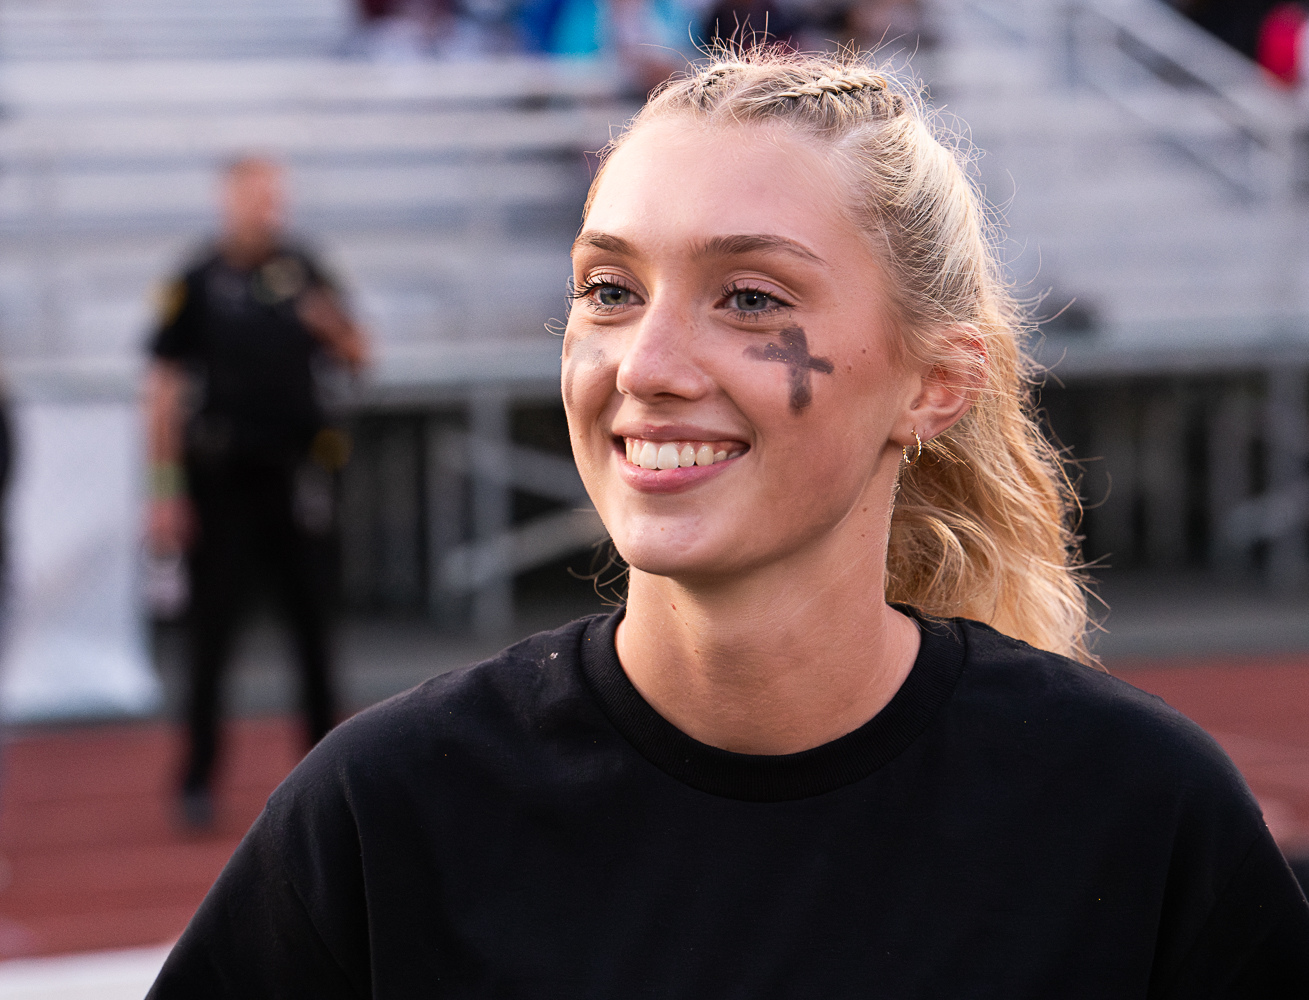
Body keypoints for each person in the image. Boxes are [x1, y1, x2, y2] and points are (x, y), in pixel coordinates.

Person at [147, 51, 1309, 995]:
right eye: (610, 290)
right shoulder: (381, 817)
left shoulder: (1139, 815)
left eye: (750, 297)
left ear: (935, 383)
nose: (647, 364)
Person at [145, 156, 368, 830]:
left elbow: (360, 353)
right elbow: (161, 387)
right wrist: (165, 490)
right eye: (255, 196)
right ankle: (196, 779)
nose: (267, 208)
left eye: (275, 197)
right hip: (222, 481)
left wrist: (329, 327)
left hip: (297, 476)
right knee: (210, 637)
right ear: (228, 200)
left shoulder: (306, 269)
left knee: (314, 633)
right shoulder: (196, 279)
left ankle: (327, 783)